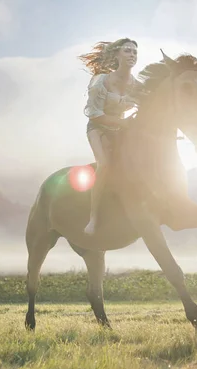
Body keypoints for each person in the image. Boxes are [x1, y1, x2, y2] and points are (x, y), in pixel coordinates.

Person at [78, 38, 142, 235]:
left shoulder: (137, 85)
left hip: (122, 130)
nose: (132, 55)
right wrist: (122, 123)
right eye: (127, 51)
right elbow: (94, 113)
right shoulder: (100, 81)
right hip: (98, 128)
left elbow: (149, 102)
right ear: (116, 55)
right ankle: (93, 218)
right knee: (104, 165)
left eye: (134, 52)